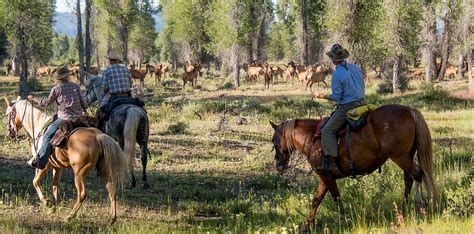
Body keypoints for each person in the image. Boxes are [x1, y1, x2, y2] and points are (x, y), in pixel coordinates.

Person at [314, 44, 365, 176]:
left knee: (327, 130)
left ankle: (333, 164)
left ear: (333, 59)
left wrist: (322, 96)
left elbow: (337, 97)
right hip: (362, 103)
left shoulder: (337, 74)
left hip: (348, 106)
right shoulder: (355, 68)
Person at [27, 65, 88, 169]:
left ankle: (41, 161)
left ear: (58, 78)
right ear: (68, 75)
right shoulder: (76, 86)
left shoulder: (56, 89)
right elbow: (84, 103)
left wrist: (35, 100)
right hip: (79, 118)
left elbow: (46, 103)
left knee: (47, 136)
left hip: (64, 119)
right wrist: (85, 113)